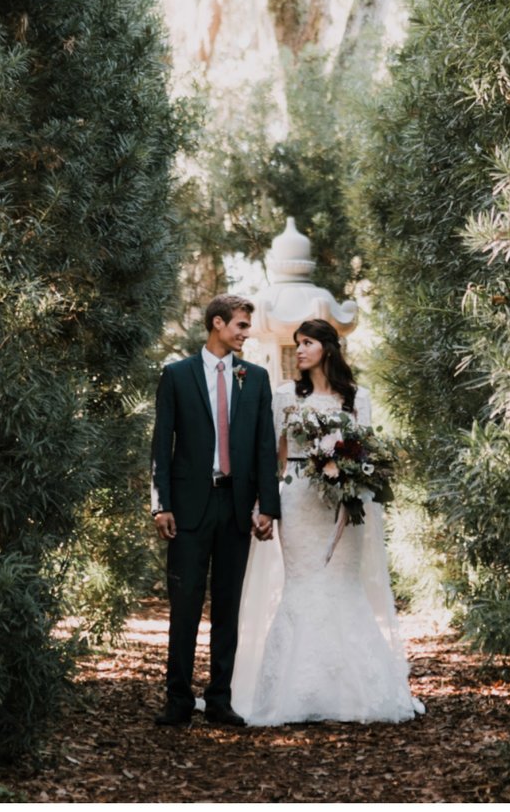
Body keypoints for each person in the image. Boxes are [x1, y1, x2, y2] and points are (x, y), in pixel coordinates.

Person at [234, 318, 423, 726]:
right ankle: (295, 690)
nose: (299, 350)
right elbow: (272, 455)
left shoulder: (357, 397)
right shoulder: (286, 396)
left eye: (307, 343)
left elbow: (366, 451)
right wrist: (261, 506)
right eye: (297, 343)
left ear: (327, 348)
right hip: (300, 499)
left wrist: (353, 476)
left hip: (344, 505)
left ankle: (355, 691)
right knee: (303, 583)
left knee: (342, 583)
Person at [151, 294, 281, 726]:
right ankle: (178, 700)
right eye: (241, 326)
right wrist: (160, 505)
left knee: (228, 606)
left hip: (236, 507)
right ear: (218, 324)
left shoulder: (255, 379)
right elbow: (161, 446)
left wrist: (268, 507)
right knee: (184, 606)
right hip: (188, 508)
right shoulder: (176, 376)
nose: (247, 333)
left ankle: (220, 699)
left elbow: (265, 447)